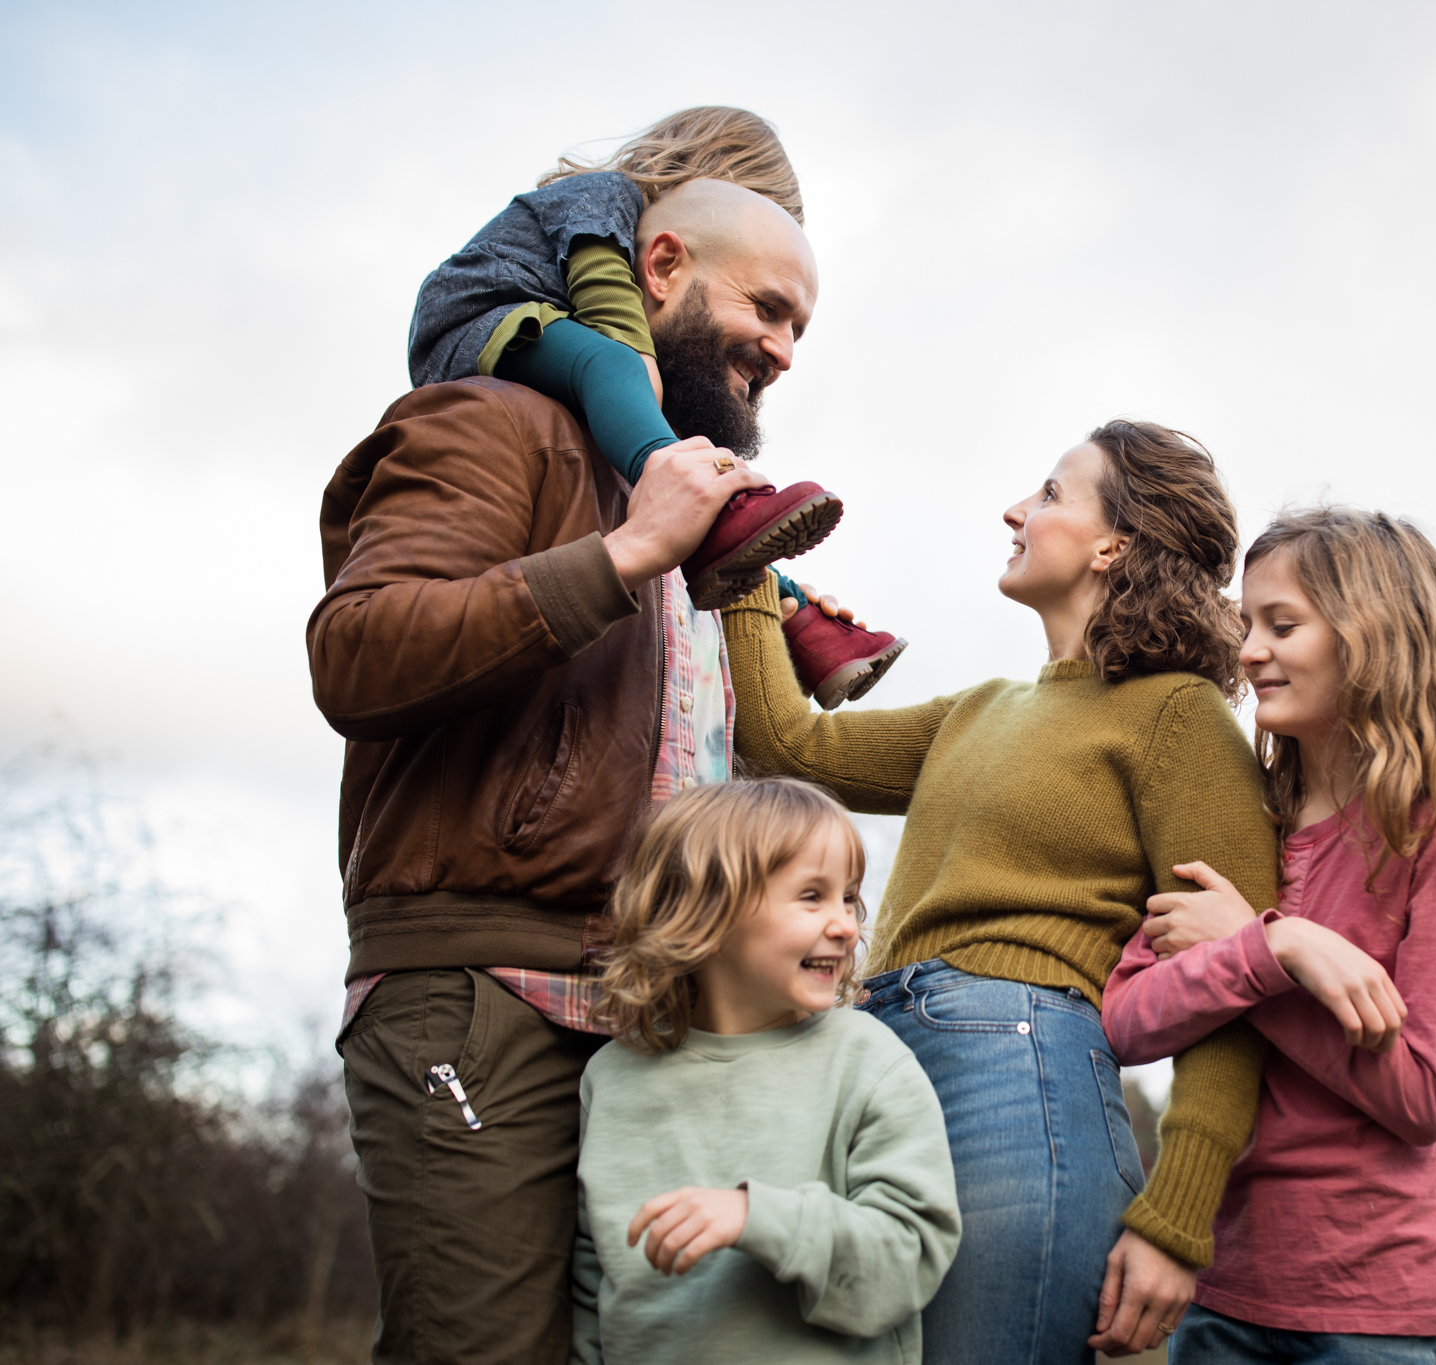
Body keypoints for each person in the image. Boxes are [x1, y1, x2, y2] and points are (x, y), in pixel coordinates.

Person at [309, 118, 824, 1365]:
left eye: (800, 329)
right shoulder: (494, 419)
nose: (781, 349)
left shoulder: (686, 510)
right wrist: (625, 554)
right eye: (765, 309)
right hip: (487, 995)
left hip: (654, 1019)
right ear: (660, 268)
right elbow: (357, 651)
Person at [723, 420, 1277, 1362]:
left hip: (1020, 1084)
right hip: (873, 1067)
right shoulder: (979, 709)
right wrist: (747, 573)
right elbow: (785, 745)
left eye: (1051, 493)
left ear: (1114, 545)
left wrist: (1178, 1217)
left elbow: (1232, 985)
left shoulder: (1178, 715)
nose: (1016, 511)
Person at [1099, 507, 1436, 1364]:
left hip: (1378, 1313)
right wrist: (1276, 949)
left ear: (1371, 638)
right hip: (1224, 1293)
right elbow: (1126, 1020)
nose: (1248, 651)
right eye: (1247, 624)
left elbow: (1423, 1096)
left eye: (1282, 625)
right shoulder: (1242, 818)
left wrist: (1255, 948)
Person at [410, 104, 903, 705]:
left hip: (555, 348)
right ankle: (713, 511)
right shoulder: (601, 199)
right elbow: (614, 321)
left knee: (685, 473)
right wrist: (676, 459)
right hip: (477, 322)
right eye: (765, 305)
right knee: (628, 385)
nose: (784, 354)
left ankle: (794, 614)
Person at [572, 778, 960, 1365]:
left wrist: (759, 1218)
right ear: (706, 915)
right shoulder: (609, 1078)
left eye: (848, 898)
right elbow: (590, 1287)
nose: (847, 925)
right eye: (812, 896)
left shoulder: (868, 1059)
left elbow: (910, 1261)